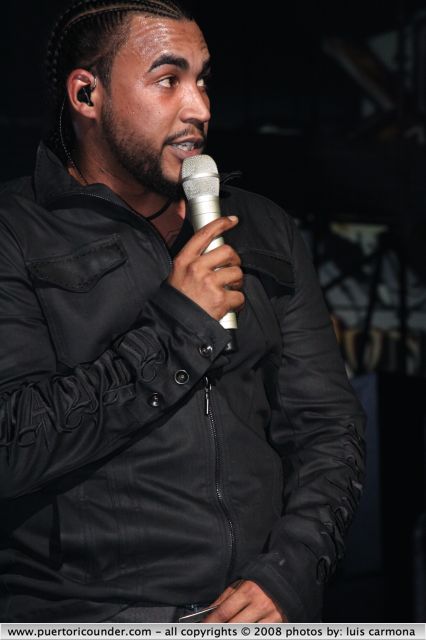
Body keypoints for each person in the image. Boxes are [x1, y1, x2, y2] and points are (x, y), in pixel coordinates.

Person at [0, 0, 366, 624]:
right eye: (168, 80)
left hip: (258, 612)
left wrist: (291, 574)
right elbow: (12, 443)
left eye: (202, 80)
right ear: (87, 94)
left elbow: (328, 428)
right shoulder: (16, 232)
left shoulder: (263, 227)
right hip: (86, 614)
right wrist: (178, 329)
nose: (199, 107)